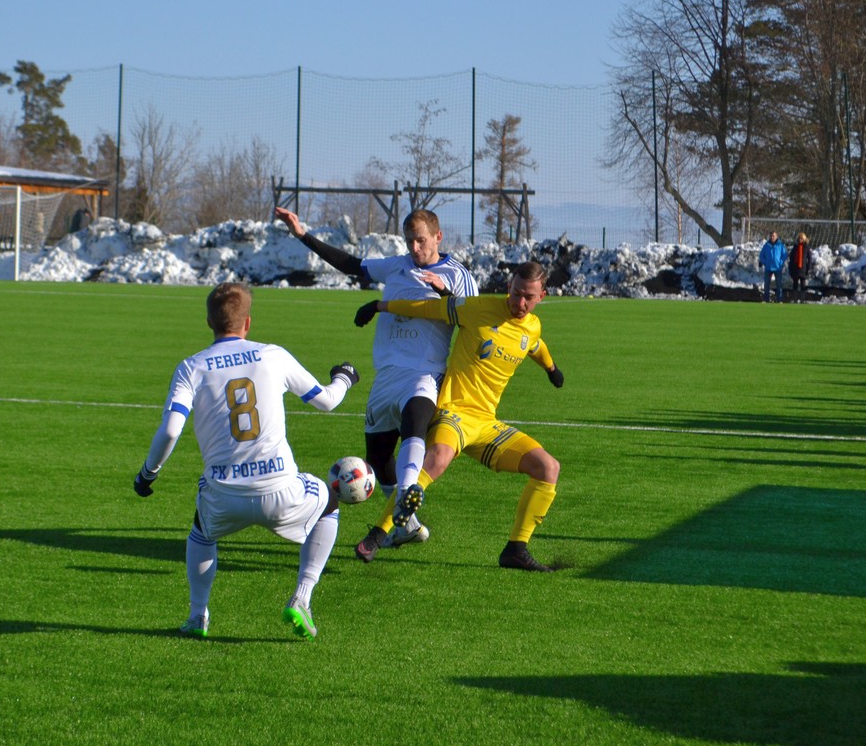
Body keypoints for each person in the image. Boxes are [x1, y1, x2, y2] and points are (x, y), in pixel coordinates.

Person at [133, 282, 360, 640]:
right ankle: (302, 597)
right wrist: (345, 376)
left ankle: (197, 615)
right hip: (281, 490)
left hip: (225, 496)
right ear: (248, 323)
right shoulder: (272, 355)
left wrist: (148, 474)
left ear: (209, 322)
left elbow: (171, 430)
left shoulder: (191, 367)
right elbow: (327, 401)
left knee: (202, 532)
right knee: (330, 503)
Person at [274, 206, 478, 563]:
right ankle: (407, 524)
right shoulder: (397, 265)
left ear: (438, 237)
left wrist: (445, 293)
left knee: (415, 425)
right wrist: (302, 235)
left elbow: (475, 326)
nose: (415, 248)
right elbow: (353, 265)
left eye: (422, 240)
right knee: (379, 458)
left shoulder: (458, 275)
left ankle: (409, 492)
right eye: (410, 240)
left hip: (424, 373)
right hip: (386, 376)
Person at [355, 261, 566, 571]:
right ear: (509, 285)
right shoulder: (477, 308)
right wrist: (379, 305)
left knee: (548, 467)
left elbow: (534, 345)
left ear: (541, 297)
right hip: (452, 414)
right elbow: (426, 308)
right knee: (437, 458)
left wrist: (551, 369)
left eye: (528, 297)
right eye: (516, 293)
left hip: (486, 423)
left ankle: (515, 550)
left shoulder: (532, 325)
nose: (519, 302)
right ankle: (377, 535)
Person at [759, 231, 787, 303]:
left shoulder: (780, 245)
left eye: (773, 236)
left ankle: (779, 300)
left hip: (777, 268)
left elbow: (784, 255)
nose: (772, 237)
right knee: (767, 284)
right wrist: (765, 262)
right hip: (768, 268)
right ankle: (766, 299)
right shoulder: (766, 245)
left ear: (776, 236)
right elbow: (761, 256)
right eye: (771, 236)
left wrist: (780, 262)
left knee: (779, 284)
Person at [788, 232, 811, 303]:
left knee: (803, 285)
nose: (800, 239)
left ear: (804, 239)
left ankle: (802, 300)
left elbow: (809, 258)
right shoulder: (795, 247)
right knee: (795, 284)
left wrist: (808, 269)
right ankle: (795, 299)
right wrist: (790, 268)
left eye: (802, 238)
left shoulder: (806, 247)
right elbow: (791, 258)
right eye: (799, 238)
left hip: (803, 269)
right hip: (795, 268)